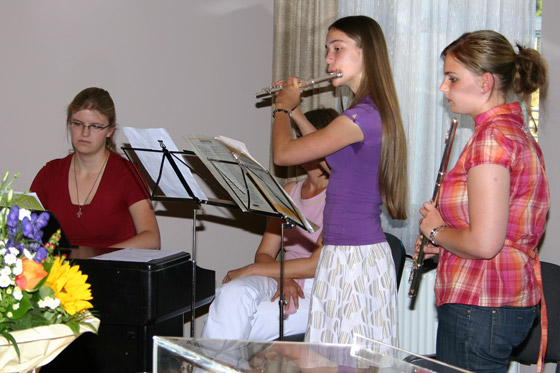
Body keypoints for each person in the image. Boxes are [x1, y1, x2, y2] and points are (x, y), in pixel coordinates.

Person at [230, 15, 408, 346]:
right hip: (342, 254)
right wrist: (297, 112)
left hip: (354, 257)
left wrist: (282, 109)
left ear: (365, 51)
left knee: (347, 362)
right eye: (327, 50)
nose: (328, 59)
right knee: (326, 359)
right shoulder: (363, 113)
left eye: (337, 49)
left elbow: (283, 154)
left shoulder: (360, 116)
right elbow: (325, 156)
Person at [418, 30, 549, 372]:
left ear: (485, 82)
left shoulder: (491, 140)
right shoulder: (515, 133)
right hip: (494, 302)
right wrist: (447, 242)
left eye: (452, 78)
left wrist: (436, 231)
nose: (443, 88)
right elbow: (496, 232)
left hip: (480, 304)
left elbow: (484, 243)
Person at [201, 108, 337, 341]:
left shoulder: (340, 195)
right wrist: (283, 278)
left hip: (318, 287)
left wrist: (253, 269)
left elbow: (317, 265)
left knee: (231, 319)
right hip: (280, 276)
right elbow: (264, 252)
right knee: (230, 295)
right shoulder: (289, 191)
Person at [30, 87, 160, 249]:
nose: (85, 133)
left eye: (95, 126)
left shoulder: (128, 173)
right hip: (61, 271)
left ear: (110, 131)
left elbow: (151, 238)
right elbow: (26, 232)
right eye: (78, 124)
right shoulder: (50, 173)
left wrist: (99, 258)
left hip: (114, 269)